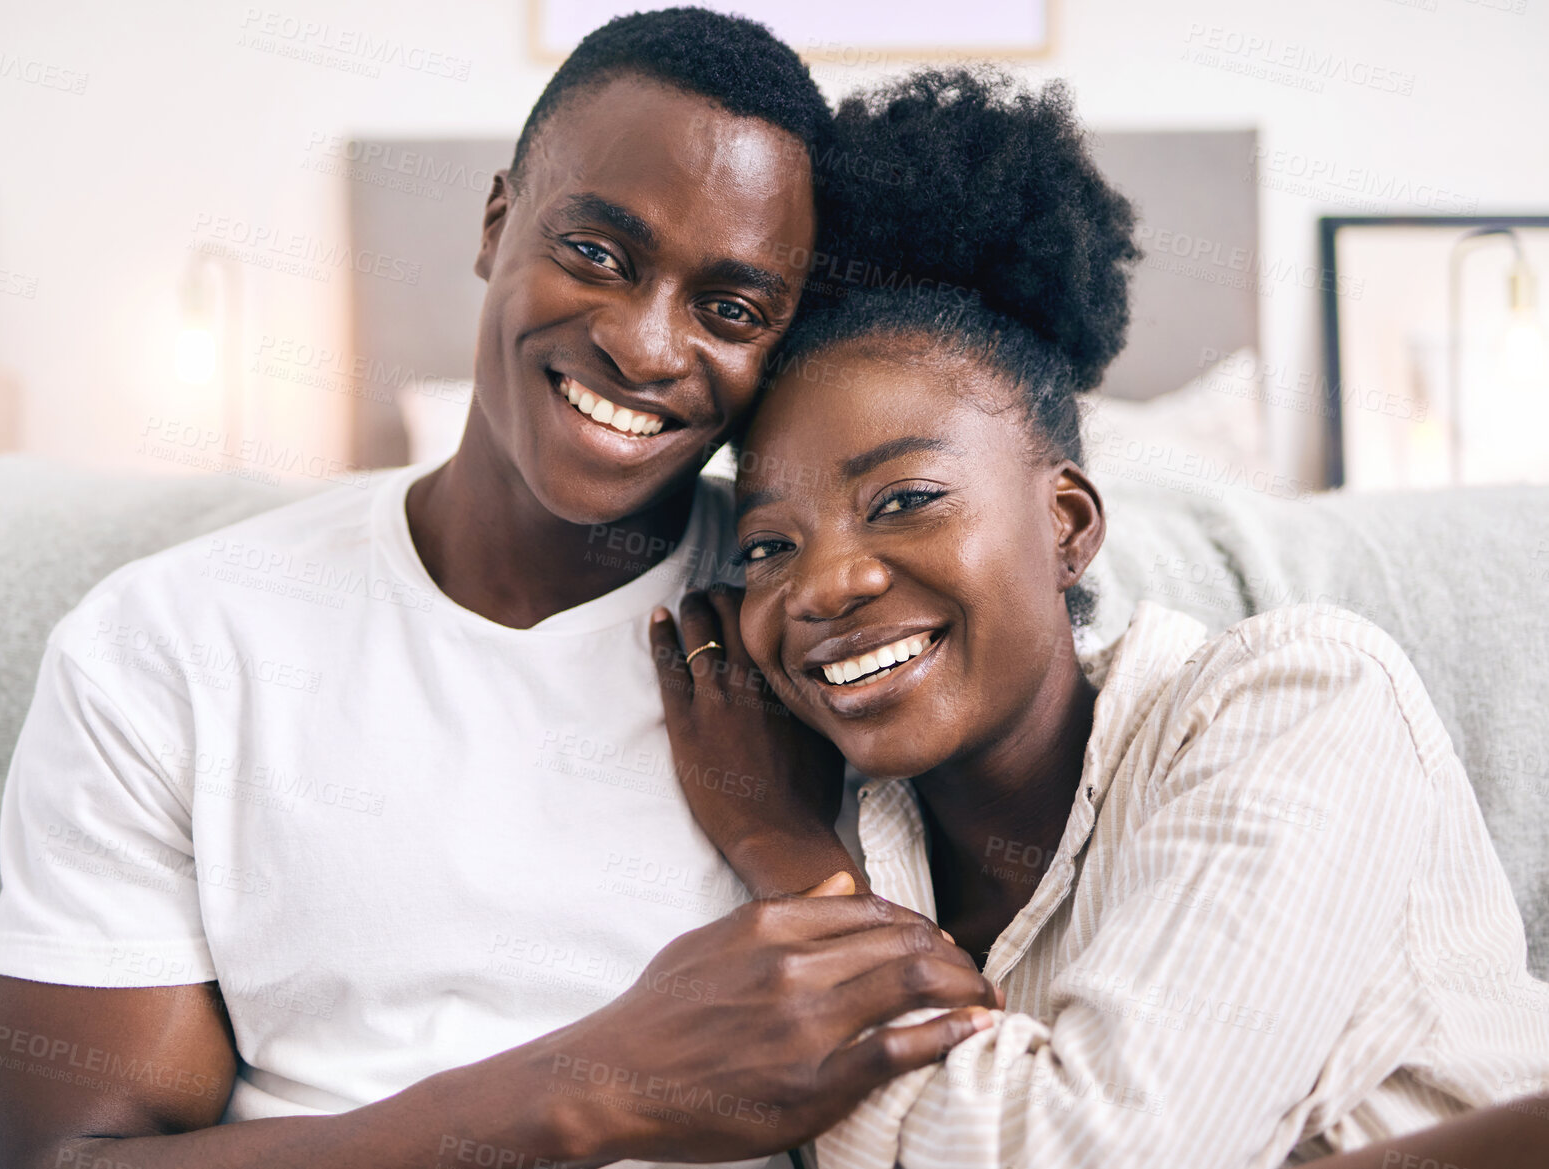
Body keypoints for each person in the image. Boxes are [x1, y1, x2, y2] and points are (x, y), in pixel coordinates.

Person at [0, 14, 998, 1169]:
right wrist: (592, 1091)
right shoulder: (173, 640)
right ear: (498, 221)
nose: (647, 347)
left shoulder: (834, 634)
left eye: (732, 310)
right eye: (599, 253)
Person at [651, 66, 1549, 1168]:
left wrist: (784, 855)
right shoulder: (871, 826)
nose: (823, 585)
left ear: (1069, 522)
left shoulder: (1303, 700)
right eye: (767, 546)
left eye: (906, 500)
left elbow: (1089, 1150)